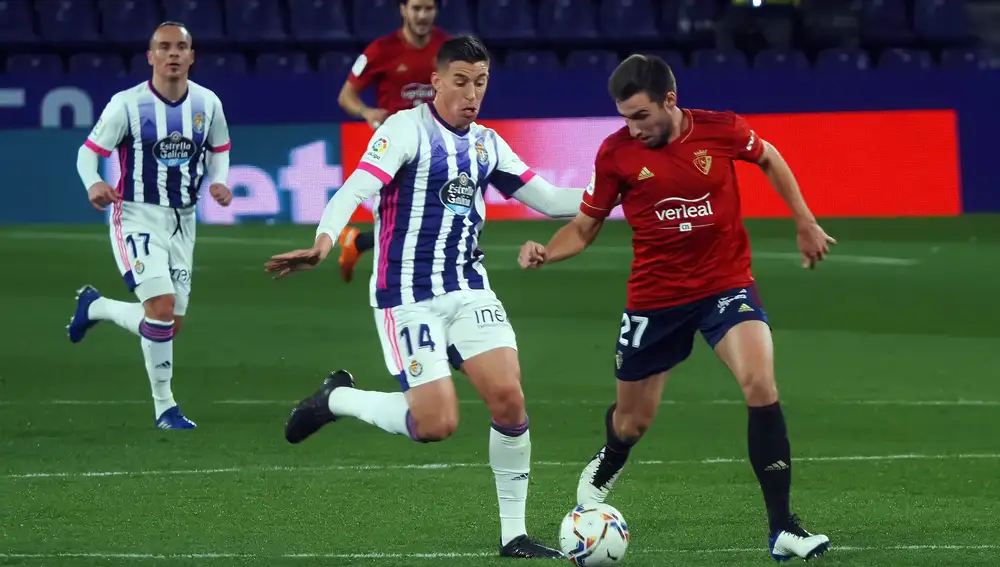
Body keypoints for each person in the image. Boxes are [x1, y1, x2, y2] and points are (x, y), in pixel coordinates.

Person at [265, 36, 584, 559]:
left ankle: (514, 536)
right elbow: (355, 189)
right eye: (460, 80)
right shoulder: (404, 130)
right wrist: (325, 240)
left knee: (509, 399)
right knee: (436, 425)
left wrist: (621, 192)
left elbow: (548, 200)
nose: (471, 93)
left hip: (467, 287)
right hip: (406, 296)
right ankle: (336, 399)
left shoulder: (487, 143)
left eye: (480, 82)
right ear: (435, 82)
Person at [516, 54, 834, 561]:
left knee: (760, 383)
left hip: (726, 285)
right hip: (656, 299)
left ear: (670, 100)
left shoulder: (720, 130)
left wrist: (805, 220)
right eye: (625, 118)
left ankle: (783, 529)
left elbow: (770, 156)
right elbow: (583, 227)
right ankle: (612, 455)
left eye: (641, 116)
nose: (633, 128)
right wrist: (546, 252)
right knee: (631, 422)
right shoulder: (615, 155)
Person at [67, 22, 233, 430]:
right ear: (151, 56)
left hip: (184, 219)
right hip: (137, 214)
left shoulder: (208, 104)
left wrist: (220, 179)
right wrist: (94, 183)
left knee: (168, 323)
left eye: (181, 47)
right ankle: (166, 409)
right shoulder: (126, 105)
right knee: (159, 308)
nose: (173, 54)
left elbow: (221, 149)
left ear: (192, 56)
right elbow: (87, 155)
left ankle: (97, 306)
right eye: (164, 47)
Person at [335, 0, 448, 284]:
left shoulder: (449, 49)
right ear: (403, 10)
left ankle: (357, 242)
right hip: (398, 146)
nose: (422, 15)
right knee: (416, 213)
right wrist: (366, 111)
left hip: (441, 143)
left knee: (438, 209)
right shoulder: (381, 50)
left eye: (428, 8)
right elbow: (346, 96)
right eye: (416, 8)